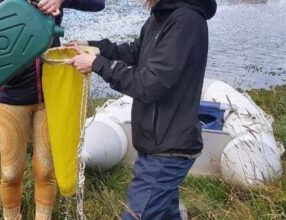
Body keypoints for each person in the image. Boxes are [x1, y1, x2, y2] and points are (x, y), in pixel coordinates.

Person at [66, 0, 217, 219]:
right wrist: (94, 46)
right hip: (155, 142)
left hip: (168, 148)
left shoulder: (186, 21)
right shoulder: (161, 15)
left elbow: (149, 84)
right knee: (164, 213)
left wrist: (98, 64)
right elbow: (135, 52)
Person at [0, 0, 105, 219]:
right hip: (11, 98)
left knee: (46, 171)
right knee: (10, 174)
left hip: (50, 97)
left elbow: (97, 3)